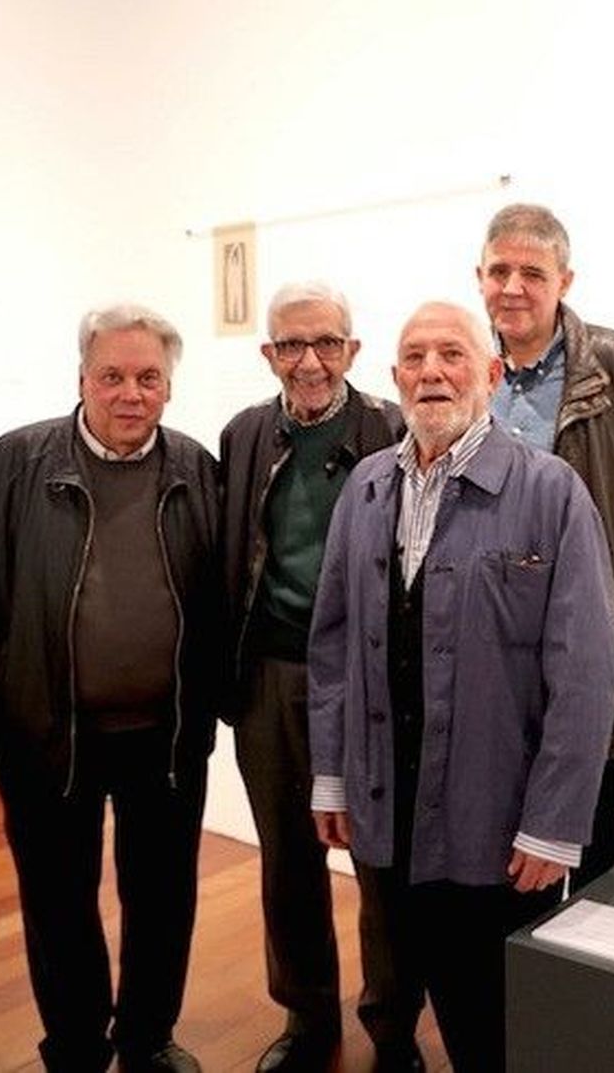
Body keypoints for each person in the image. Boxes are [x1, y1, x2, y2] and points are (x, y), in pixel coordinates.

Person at [308, 302, 614, 1072]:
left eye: (451, 354)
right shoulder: (368, 490)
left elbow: (582, 671)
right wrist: (332, 778)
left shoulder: (551, 493)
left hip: (499, 823)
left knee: (496, 1025)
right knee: (406, 988)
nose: (431, 372)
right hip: (390, 811)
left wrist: (553, 823)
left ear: (490, 373)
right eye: (414, 357)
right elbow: (335, 643)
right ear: (393, 378)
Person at [0, 304, 221, 1073]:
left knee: (163, 898)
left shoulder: (197, 469)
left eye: (148, 378)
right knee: (57, 901)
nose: (129, 394)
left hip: (166, 735)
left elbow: (218, 593)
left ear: (169, 388)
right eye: (112, 376)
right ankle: (74, 1044)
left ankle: (146, 1038)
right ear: (82, 378)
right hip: (47, 732)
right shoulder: (14, 464)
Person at [476, 203, 614, 888]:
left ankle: (596, 991)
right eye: (499, 271)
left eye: (532, 273)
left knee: (594, 823)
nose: (513, 287)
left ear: (564, 281)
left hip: (591, 641)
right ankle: (516, 988)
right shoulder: (466, 365)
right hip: (492, 645)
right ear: (478, 276)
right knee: (501, 834)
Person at [219, 282, 403, 1072]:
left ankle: (393, 1026)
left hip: (371, 682)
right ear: (269, 355)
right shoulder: (244, 436)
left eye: (326, 342)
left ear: (353, 351)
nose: (310, 361)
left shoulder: (390, 429)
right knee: (287, 858)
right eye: (291, 345)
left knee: (382, 863)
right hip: (273, 675)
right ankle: (307, 1019)